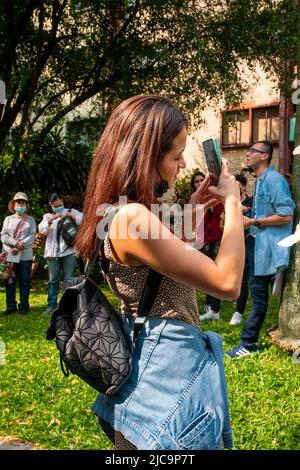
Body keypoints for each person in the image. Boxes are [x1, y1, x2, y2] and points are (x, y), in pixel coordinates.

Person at [76, 95, 244, 450]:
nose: (182, 164)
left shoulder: (119, 212)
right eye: (176, 155)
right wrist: (233, 206)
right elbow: (227, 283)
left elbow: (160, 263)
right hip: (163, 380)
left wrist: (195, 209)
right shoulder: (133, 218)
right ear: (146, 158)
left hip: (149, 371)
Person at [227, 141, 295, 358]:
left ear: (264, 156)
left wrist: (254, 221)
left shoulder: (275, 180)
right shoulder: (262, 181)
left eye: (252, 151)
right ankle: (249, 342)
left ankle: (248, 343)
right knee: (256, 295)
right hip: (257, 246)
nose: (247, 154)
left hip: (267, 249)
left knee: (258, 298)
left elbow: (286, 215)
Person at [38, 193, 83, 314]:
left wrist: (72, 216)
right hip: (52, 253)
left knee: (68, 279)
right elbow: (42, 231)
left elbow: (83, 220)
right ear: (51, 205)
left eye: (60, 205)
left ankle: (67, 306)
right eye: (55, 205)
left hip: (69, 251)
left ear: (63, 202)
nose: (58, 207)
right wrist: (50, 221)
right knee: (53, 280)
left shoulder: (71, 211)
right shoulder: (47, 216)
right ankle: (51, 306)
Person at [190, 172, 224, 321]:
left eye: (201, 180)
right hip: (198, 241)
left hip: (212, 240)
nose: (199, 183)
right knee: (204, 276)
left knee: (213, 275)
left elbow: (216, 220)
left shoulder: (213, 198)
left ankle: (215, 309)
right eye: (196, 181)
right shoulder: (194, 200)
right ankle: (209, 305)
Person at [1, 192, 36, 315]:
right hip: (10, 254)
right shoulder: (8, 219)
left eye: (22, 203)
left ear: (26, 205)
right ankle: (11, 307)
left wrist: (21, 245)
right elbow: (3, 236)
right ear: (14, 204)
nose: (20, 205)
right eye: (18, 202)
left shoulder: (30, 220)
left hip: (25, 255)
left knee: (25, 281)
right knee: (10, 280)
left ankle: (24, 306)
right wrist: (15, 243)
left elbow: (32, 236)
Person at [229, 173, 253, 326]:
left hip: (253, 243)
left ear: (243, 187)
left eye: (238, 185)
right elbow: (223, 227)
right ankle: (238, 311)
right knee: (242, 279)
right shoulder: (230, 205)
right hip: (237, 246)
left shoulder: (252, 202)